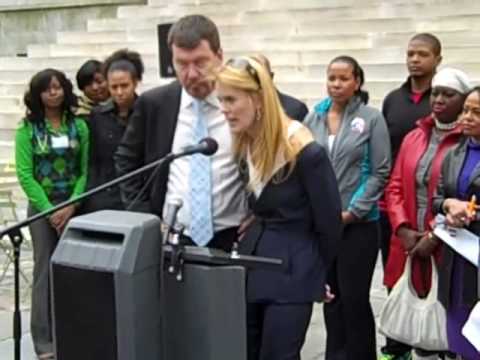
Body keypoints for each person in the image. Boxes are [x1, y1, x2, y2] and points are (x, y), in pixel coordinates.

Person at [217, 55, 342, 360]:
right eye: (220, 100)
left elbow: (329, 223)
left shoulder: (305, 151)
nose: (224, 109)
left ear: (258, 98)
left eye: (231, 100)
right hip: (252, 263)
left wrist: (317, 274)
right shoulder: (245, 143)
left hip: (293, 269)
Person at [114, 15, 247, 252]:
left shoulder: (242, 103)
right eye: (182, 64)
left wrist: (260, 212)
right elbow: (127, 159)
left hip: (234, 236)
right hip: (173, 237)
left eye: (200, 62)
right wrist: (143, 217)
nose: (192, 73)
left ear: (219, 56)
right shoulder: (155, 104)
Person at [304, 55, 391, 360]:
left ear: (357, 82)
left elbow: (381, 170)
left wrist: (353, 211)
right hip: (323, 225)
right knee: (331, 298)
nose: (336, 84)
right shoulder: (313, 118)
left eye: (343, 78)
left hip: (359, 225)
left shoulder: (371, 118)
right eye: (332, 78)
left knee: (354, 299)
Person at [385, 68, 470, 360]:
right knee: (412, 324)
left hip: (449, 244)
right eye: (436, 92)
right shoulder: (415, 136)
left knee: (448, 326)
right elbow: (394, 184)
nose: (439, 99)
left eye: (449, 94)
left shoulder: (467, 141)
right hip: (409, 242)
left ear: (464, 100)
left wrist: (435, 235)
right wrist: (403, 228)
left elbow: (458, 197)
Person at [15, 69, 89, 359]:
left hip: (74, 206)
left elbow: (85, 170)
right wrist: (50, 211)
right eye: (47, 89)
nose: (54, 93)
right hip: (42, 209)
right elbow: (24, 173)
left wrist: (72, 205)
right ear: (38, 95)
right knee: (44, 271)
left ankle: (74, 334)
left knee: (75, 270)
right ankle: (45, 343)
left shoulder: (79, 127)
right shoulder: (27, 129)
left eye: (58, 87)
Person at [380, 33, 442, 360]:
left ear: (437, 59)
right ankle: (396, 347)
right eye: (410, 54)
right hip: (395, 207)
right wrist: (398, 219)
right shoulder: (392, 100)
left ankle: (433, 345)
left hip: (433, 213)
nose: (414, 59)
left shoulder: (444, 101)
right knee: (395, 279)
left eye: (422, 54)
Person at [432, 86, 480, 360]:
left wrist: (471, 214)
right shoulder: (455, 153)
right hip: (457, 258)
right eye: (465, 110)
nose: (467, 117)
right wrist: (449, 206)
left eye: (477, 112)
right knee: (460, 336)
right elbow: (438, 197)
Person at [82, 49, 144, 213]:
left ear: (135, 82)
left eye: (124, 86)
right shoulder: (98, 115)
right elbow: (93, 160)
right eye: (114, 87)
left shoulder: (147, 111)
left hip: (138, 196)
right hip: (105, 197)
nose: (119, 92)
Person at [253, 54, 309, 121]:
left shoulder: (296, 109)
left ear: (271, 77)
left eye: (260, 77)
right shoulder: (242, 111)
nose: (254, 82)